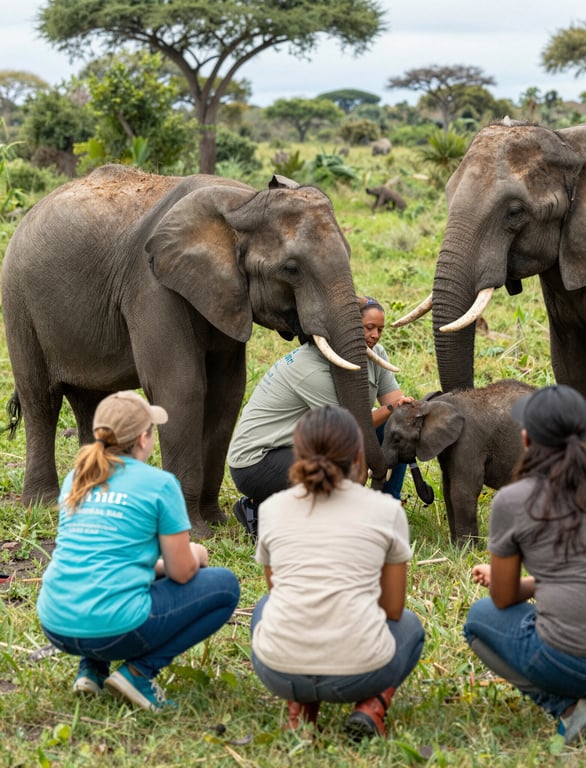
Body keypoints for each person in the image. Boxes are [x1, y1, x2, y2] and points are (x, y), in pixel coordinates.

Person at [463, 385, 586, 746]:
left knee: (480, 618)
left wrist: (513, 581)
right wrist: (547, 580)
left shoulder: (512, 500)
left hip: (575, 663)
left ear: (525, 439)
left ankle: (568, 708)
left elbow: (504, 599)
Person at [36, 391, 240, 711]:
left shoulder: (77, 477)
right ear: (144, 438)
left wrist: (154, 565)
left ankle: (91, 668)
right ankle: (138, 673)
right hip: (113, 628)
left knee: (105, 577)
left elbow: (101, 555)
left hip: (56, 621)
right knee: (225, 587)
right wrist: (197, 553)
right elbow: (182, 571)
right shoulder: (159, 484)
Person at [249, 405, 424, 738]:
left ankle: (298, 708)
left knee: (262, 607)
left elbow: (276, 592)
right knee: (410, 626)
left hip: (279, 672)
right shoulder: (387, 510)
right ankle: (372, 705)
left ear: (296, 455)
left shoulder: (271, 509)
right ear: (358, 455)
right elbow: (393, 609)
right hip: (359, 674)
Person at [228, 296, 413, 540]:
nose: (375, 335)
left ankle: (388, 506)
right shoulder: (310, 368)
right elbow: (349, 428)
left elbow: (395, 404)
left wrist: (401, 411)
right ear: (346, 327)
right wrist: (391, 409)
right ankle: (259, 511)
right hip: (258, 462)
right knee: (339, 464)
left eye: (380, 329)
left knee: (398, 427)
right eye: (368, 328)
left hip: (304, 445)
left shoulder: (374, 354)